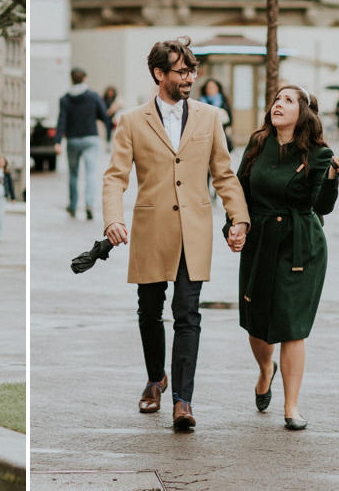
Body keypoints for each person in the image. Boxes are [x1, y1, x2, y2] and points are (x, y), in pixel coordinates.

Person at [103, 36, 251, 432]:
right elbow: (115, 177)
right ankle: (156, 378)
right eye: (182, 71)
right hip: (150, 228)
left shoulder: (209, 117)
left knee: (187, 314)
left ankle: (182, 401)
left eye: (192, 70)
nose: (190, 78)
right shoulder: (132, 120)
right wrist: (112, 219)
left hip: (195, 229)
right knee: (149, 312)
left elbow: (223, 173)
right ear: (159, 73)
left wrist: (238, 218)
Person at [235, 85, 339, 431]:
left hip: (302, 246)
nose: (278, 105)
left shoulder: (319, 154)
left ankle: (291, 406)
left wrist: (333, 173)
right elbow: (239, 190)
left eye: (288, 100)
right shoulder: (258, 144)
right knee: (257, 327)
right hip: (260, 240)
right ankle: (264, 370)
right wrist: (236, 225)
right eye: (276, 99)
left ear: (303, 111)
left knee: (292, 327)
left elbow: (321, 206)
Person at [55, 67, 110, 219]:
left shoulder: (65, 99)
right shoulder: (93, 96)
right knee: (91, 172)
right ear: (84, 78)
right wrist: (109, 135)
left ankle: (73, 206)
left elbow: (61, 122)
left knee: (73, 174)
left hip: (73, 139)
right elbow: (103, 115)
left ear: (71, 79)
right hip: (90, 138)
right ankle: (89, 204)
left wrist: (58, 141)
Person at [199, 78, 234, 151]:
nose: (210, 89)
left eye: (212, 87)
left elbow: (229, 116)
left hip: (220, 131)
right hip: (205, 133)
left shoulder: (223, 99)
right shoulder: (201, 101)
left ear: (217, 88)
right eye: (208, 87)